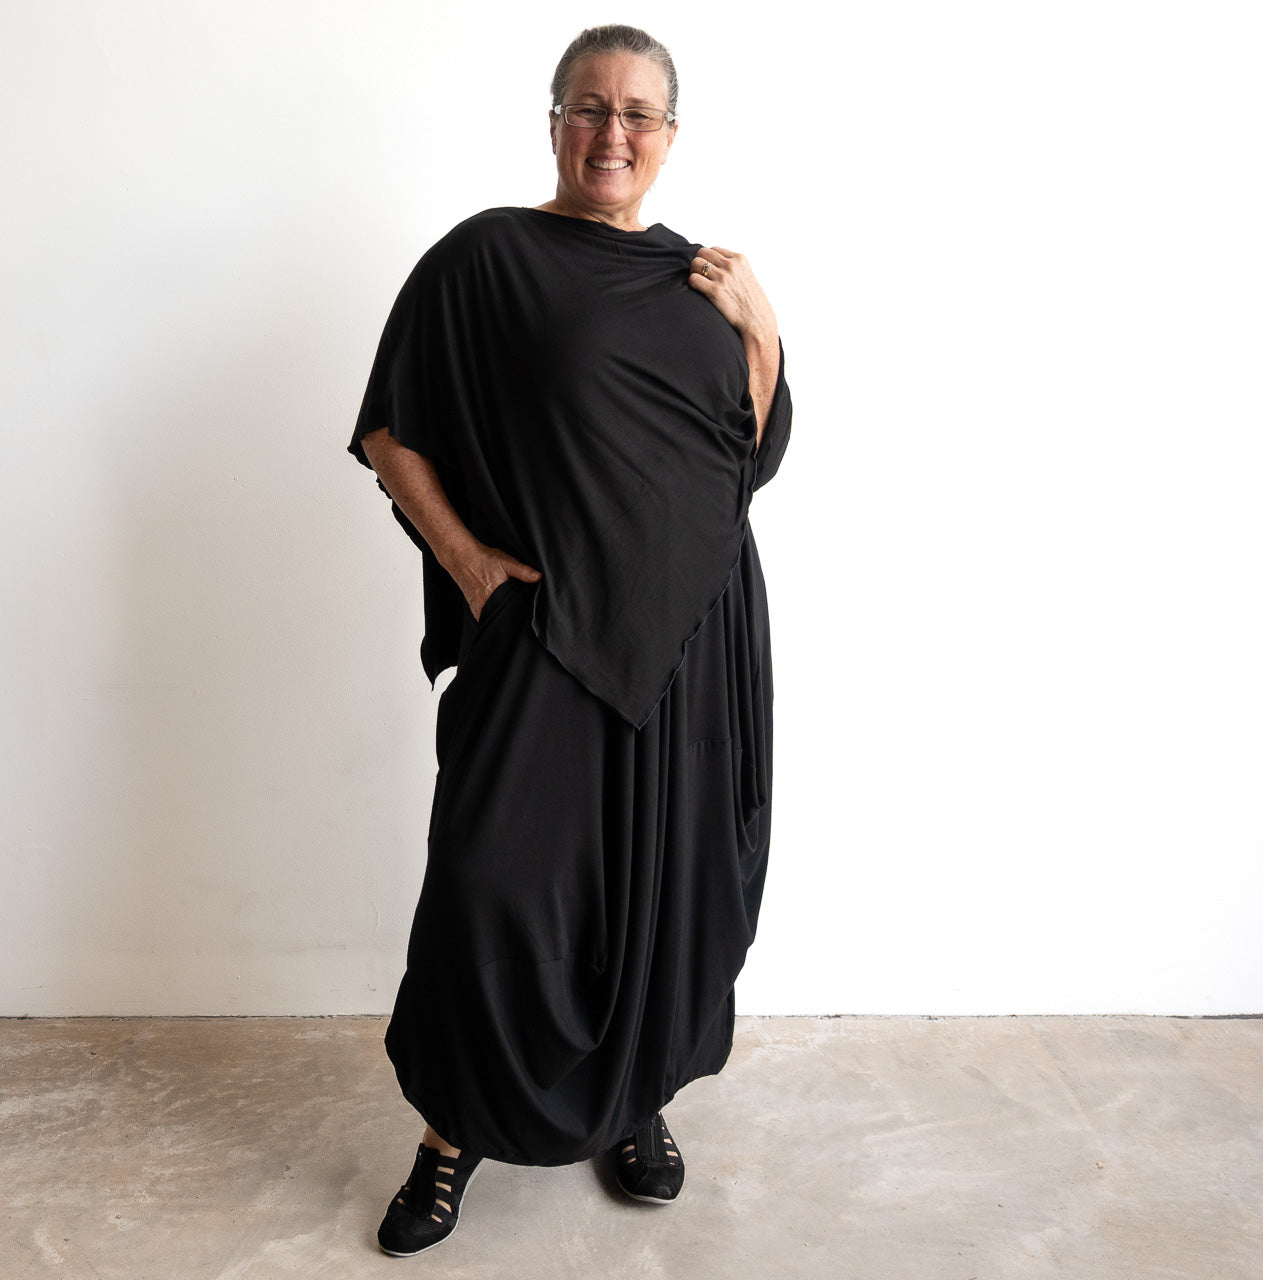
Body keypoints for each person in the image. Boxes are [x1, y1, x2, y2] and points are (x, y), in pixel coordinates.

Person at [349, 23, 792, 1257]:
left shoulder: (707, 281)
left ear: (668, 136)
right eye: (588, 107)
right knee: (490, 891)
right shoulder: (485, 259)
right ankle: (449, 1134)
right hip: (544, 636)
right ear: (552, 122)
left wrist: (761, 333)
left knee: (659, 890)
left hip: (694, 642)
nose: (611, 132)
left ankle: (631, 1099)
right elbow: (389, 432)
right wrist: (472, 568)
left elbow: (746, 461)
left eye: (637, 113)